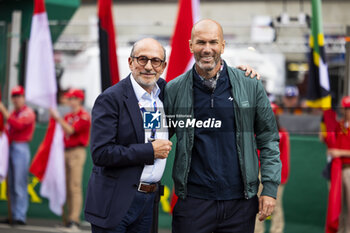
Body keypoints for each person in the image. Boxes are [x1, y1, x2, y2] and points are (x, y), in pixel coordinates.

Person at [84, 37, 259, 233]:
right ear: (130, 62)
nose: (149, 67)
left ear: (163, 66)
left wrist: (236, 74)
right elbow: (101, 153)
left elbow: (202, 84)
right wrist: (149, 151)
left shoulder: (166, 93)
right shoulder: (111, 98)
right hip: (115, 203)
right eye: (142, 59)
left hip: (149, 202)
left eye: (156, 61)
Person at [164, 19, 281, 233]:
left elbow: (268, 140)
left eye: (213, 42)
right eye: (200, 42)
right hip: (193, 203)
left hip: (240, 204)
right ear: (190, 46)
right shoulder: (174, 90)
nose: (207, 49)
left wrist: (270, 189)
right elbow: (157, 137)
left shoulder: (250, 84)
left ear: (223, 46)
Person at [50, 88, 91, 231]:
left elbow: (71, 130)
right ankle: (68, 219)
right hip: (65, 151)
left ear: (79, 100)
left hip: (77, 152)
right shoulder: (68, 116)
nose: (69, 101)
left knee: (74, 186)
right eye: (69, 98)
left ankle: (74, 220)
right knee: (66, 185)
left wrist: (57, 118)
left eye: (72, 98)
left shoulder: (84, 116)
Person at [0, 85, 36, 225]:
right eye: (14, 96)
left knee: (19, 183)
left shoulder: (28, 112)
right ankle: (13, 214)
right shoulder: (13, 113)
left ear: (23, 97)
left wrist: (3, 111)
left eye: (18, 96)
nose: (16, 99)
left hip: (21, 147)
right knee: (11, 184)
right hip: (9, 146)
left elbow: (18, 126)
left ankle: (20, 215)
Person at [255, 103, 290, 233]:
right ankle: (257, 231)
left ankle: (277, 230)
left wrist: (283, 176)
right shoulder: (256, 131)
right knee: (256, 205)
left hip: (275, 174)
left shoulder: (282, 134)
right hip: (257, 173)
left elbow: (284, 157)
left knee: (275, 205)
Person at [324, 96, 350, 233]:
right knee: (338, 207)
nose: (347, 112)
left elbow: (337, 150)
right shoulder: (339, 125)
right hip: (338, 170)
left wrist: (339, 152)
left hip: (348, 170)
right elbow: (326, 139)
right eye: (346, 108)